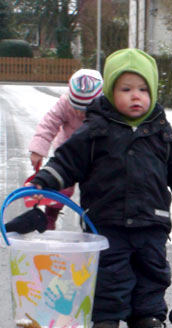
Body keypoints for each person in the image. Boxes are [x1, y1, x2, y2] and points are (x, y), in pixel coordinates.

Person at [29, 48, 172, 328]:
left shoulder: (160, 131)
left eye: (143, 89)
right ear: (111, 92)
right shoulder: (96, 129)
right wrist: (46, 179)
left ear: (152, 91)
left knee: (152, 269)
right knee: (110, 269)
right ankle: (107, 317)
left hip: (152, 219)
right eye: (126, 89)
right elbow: (68, 159)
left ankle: (148, 314)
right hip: (106, 217)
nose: (135, 96)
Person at [28, 68, 103, 230]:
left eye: (85, 110)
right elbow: (49, 123)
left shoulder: (105, 111)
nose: (79, 113)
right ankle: (51, 214)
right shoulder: (64, 103)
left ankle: (95, 221)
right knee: (61, 187)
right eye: (76, 107)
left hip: (94, 156)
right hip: (68, 155)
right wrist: (38, 149)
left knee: (97, 190)